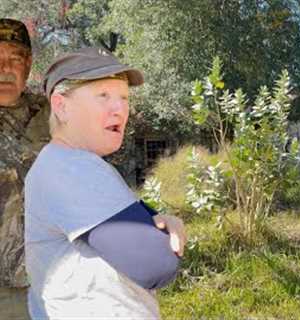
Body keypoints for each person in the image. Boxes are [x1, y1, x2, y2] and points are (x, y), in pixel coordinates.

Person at [24, 47, 187, 319]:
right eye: (104, 96)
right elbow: (156, 264)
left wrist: (159, 221)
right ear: (61, 106)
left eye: (124, 97)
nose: (120, 108)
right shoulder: (70, 167)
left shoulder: (67, 163)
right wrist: (172, 228)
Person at [0, 18, 50, 288]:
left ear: (28, 64)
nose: (4, 68)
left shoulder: (57, 116)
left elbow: (93, 181)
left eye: (15, 58)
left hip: (49, 285)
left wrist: (144, 218)